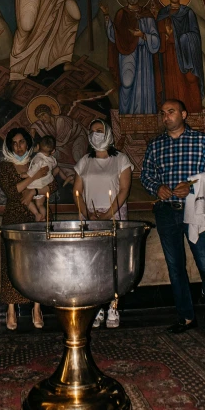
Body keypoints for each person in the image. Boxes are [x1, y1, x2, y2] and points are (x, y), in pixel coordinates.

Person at [140, 99, 205, 346]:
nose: (166, 117)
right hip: (165, 212)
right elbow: (145, 175)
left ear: (183, 113)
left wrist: (190, 186)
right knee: (175, 266)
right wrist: (157, 187)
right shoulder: (156, 145)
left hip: (195, 209)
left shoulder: (201, 140)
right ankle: (186, 316)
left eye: (171, 112)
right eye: (163, 113)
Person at [73, 119, 133, 329]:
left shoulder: (121, 160)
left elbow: (124, 189)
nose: (95, 134)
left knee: (113, 263)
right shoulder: (84, 161)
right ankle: (97, 306)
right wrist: (86, 213)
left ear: (108, 133)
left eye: (99, 130)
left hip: (113, 215)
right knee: (93, 264)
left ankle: (113, 307)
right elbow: (77, 190)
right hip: (89, 217)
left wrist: (108, 214)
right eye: (92, 131)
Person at [0, 128, 54, 330]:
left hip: (36, 216)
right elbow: (13, 192)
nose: (18, 146)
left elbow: (52, 186)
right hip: (13, 217)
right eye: (14, 143)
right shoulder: (5, 167)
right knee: (11, 263)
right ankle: (11, 310)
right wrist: (34, 178)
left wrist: (34, 191)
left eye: (22, 142)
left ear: (28, 143)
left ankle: (37, 308)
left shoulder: (38, 160)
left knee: (37, 261)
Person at [101, 0, 160, 115]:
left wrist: (143, 35)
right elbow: (113, 36)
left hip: (144, 54)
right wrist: (106, 16)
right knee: (127, 83)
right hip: (126, 54)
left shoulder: (147, 14)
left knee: (144, 86)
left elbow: (155, 38)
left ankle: (146, 116)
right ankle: (126, 114)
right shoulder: (121, 14)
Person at [156, 0, 204, 112]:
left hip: (184, 54)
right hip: (168, 54)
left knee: (185, 82)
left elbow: (195, 35)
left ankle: (189, 110)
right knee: (170, 82)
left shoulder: (187, 12)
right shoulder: (162, 14)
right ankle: (171, 111)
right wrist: (165, 37)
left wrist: (180, 38)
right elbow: (159, 32)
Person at [22, 134, 73, 220]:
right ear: (53, 151)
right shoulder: (53, 159)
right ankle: (43, 218)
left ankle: (36, 213)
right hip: (45, 185)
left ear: (38, 146)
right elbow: (54, 165)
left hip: (34, 185)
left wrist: (26, 174)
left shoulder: (38, 159)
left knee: (28, 201)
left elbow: (33, 170)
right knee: (40, 204)